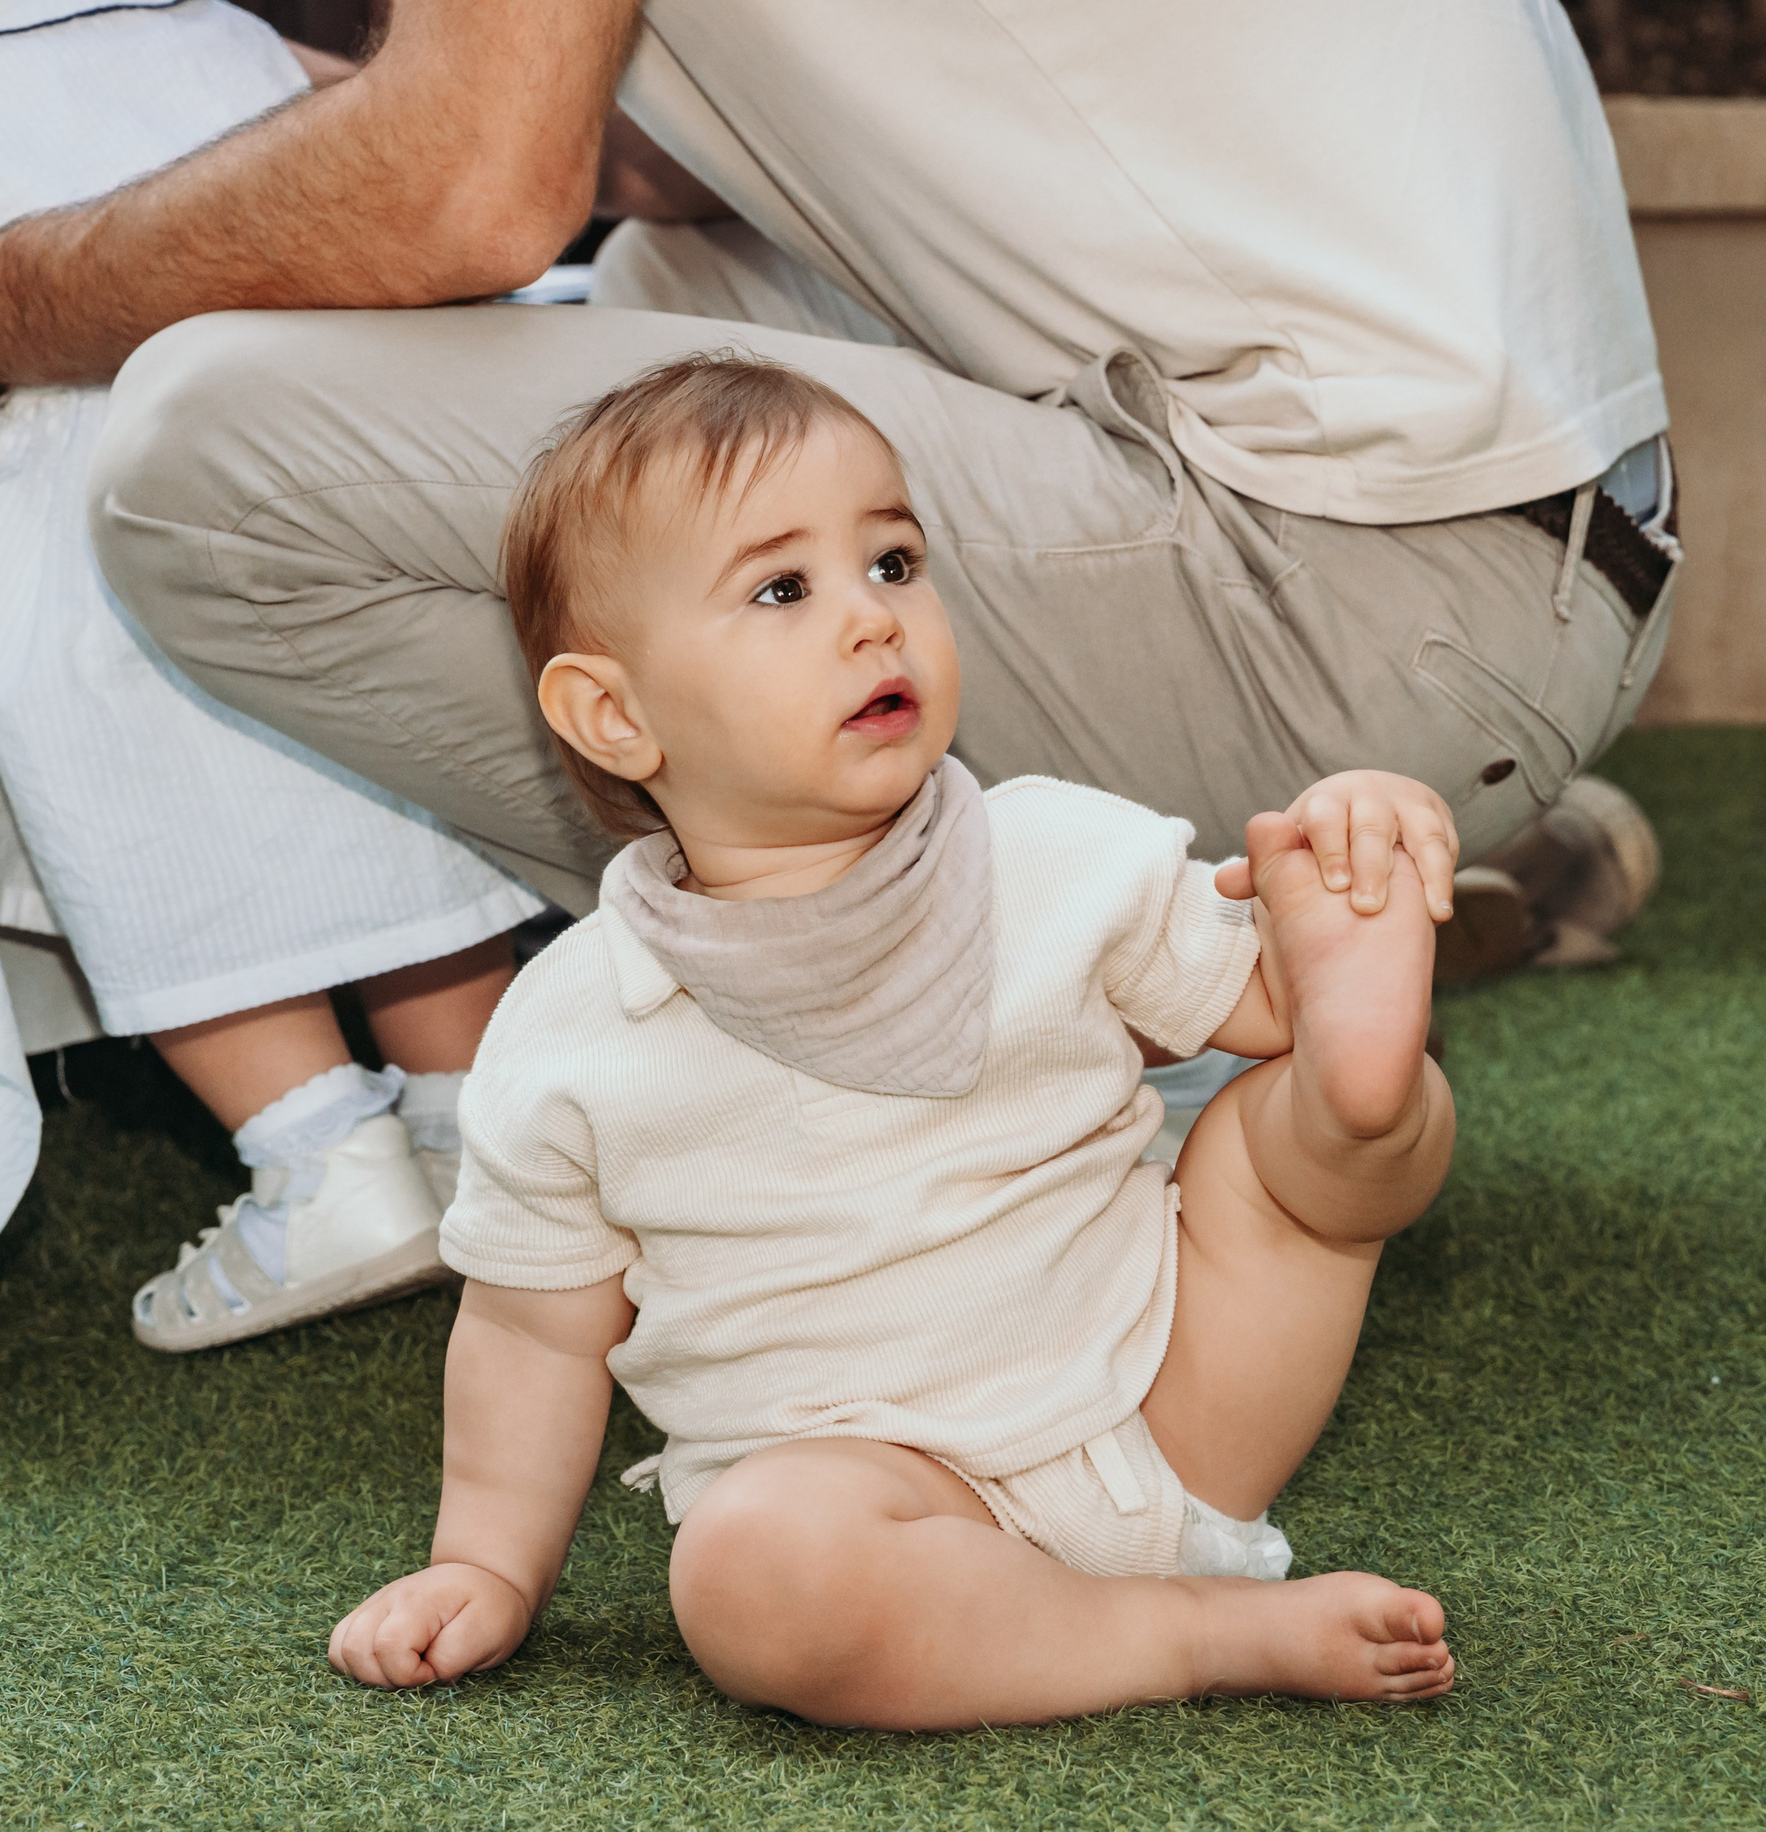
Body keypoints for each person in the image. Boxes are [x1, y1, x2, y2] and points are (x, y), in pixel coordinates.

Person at [0, 0, 1676, 1342]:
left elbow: (471, 187)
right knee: (671, 339)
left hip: (1354, 568)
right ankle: (1239, 884)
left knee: (203, 458)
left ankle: (1012, 1027)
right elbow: (641, 174)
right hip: (1509, 525)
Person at [332, 354, 1460, 1725]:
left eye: (894, 561)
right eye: (783, 589)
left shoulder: (1053, 852)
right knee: (751, 1574)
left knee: (1302, 1127)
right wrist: (484, 1565)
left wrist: (1326, 906)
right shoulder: (573, 1032)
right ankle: (1192, 1631)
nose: (872, 621)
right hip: (882, 1500)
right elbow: (530, 1336)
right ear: (616, 715)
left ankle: (1369, 1091)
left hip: (1175, 1395)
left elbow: (1258, 1016)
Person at [0, 0, 546, 1466]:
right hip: (321, 553)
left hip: (104, 613)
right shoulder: (236, 46)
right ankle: (475, 1130)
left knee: (183, 874)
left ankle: (320, 1161)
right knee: (394, 834)